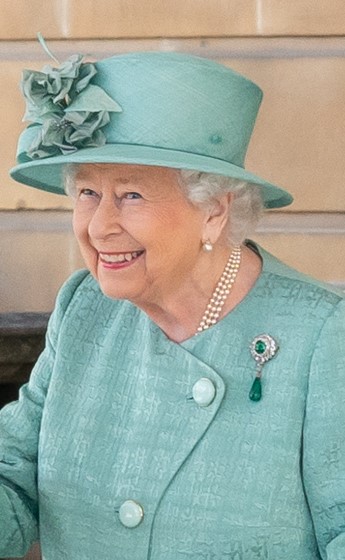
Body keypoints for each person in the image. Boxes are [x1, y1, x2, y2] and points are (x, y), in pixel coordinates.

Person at [1, 49, 345, 560]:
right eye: (89, 192)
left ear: (213, 211)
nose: (98, 228)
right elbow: (14, 476)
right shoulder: (85, 308)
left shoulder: (322, 334)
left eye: (132, 195)